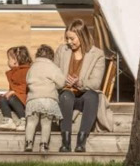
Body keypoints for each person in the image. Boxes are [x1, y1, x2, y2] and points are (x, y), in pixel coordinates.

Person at [55, 19, 105, 153]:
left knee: (92, 96)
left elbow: (96, 82)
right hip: (66, 93)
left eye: (72, 38)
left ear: (82, 36)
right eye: (67, 38)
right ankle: (65, 142)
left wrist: (79, 83)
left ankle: (81, 141)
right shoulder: (62, 50)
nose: (69, 42)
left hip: (84, 95)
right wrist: (65, 81)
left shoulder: (97, 54)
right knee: (66, 96)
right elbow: (55, 74)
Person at [24, 44, 66, 152]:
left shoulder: (32, 67)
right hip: (48, 99)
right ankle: (43, 144)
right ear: (52, 57)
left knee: (31, 122)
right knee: (46, 123)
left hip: (34, 99)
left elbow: (27, 81)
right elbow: (61, 82)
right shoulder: (53, 67)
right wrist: (54, 87)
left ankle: (28, 143)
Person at [0, 46, 32, 131]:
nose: (7, 61)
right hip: (15, 96)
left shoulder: (26, 71)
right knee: (2, 98)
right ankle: (8, 119)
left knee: (12, 99)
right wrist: (9, 92)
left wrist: (14, 92)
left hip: (23, 98)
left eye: (9, 59)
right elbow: (14, 87)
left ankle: (23, 118)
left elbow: (25, 86)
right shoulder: (13, 72)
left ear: (15, 61)